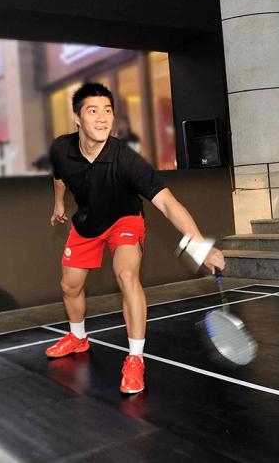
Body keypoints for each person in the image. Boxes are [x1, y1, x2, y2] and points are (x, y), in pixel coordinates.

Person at [46, 82, 225, 394]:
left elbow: (168, 204)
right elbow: (59, 177)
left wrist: (200, 246)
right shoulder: (61, 149)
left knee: (127, 275)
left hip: (124, 219)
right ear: (77, 118)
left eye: (108, 111)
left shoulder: (127, 160)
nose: (102, 118)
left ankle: (135, 358)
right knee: (69, 286)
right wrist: (59, 203)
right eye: (93, 111)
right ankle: (77, 337)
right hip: (87, 221)